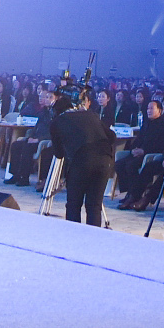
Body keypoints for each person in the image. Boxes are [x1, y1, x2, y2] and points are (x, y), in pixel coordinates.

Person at [53, 88, 116, 226]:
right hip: (104, 159)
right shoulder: (91, 115)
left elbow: (59, 154)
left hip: (81, 160)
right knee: (94, 205)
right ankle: (93, 236)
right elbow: (112, 136)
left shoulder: (58, 121)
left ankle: (74, 235)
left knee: (74, 204)